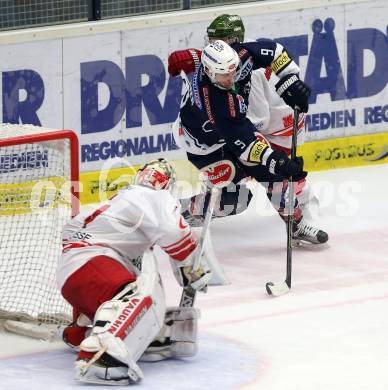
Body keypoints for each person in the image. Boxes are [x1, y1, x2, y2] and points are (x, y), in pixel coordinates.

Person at [57, 158, 212, 385]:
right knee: (135, 294)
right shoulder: (153, 195)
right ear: (167, 184)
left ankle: (84, 332)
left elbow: (69, 231)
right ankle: (101, 356)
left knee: (135, 290)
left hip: (73, 274)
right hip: (93, 263)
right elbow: (172, 231)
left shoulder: (121, 201)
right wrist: (194, 264)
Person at [168, 33, 328, 245]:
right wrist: (278, 160)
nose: (231, 78)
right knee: (233, 201)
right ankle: (176, 211)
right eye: (224, 75)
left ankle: (295, 225)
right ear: (209, 72)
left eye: (233, 71)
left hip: (230, 133)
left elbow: (274, 50)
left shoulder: (238, 56)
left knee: (272, 175)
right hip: (205, 147)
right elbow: (247, 147)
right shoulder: (216, 104)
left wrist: (290, 79)